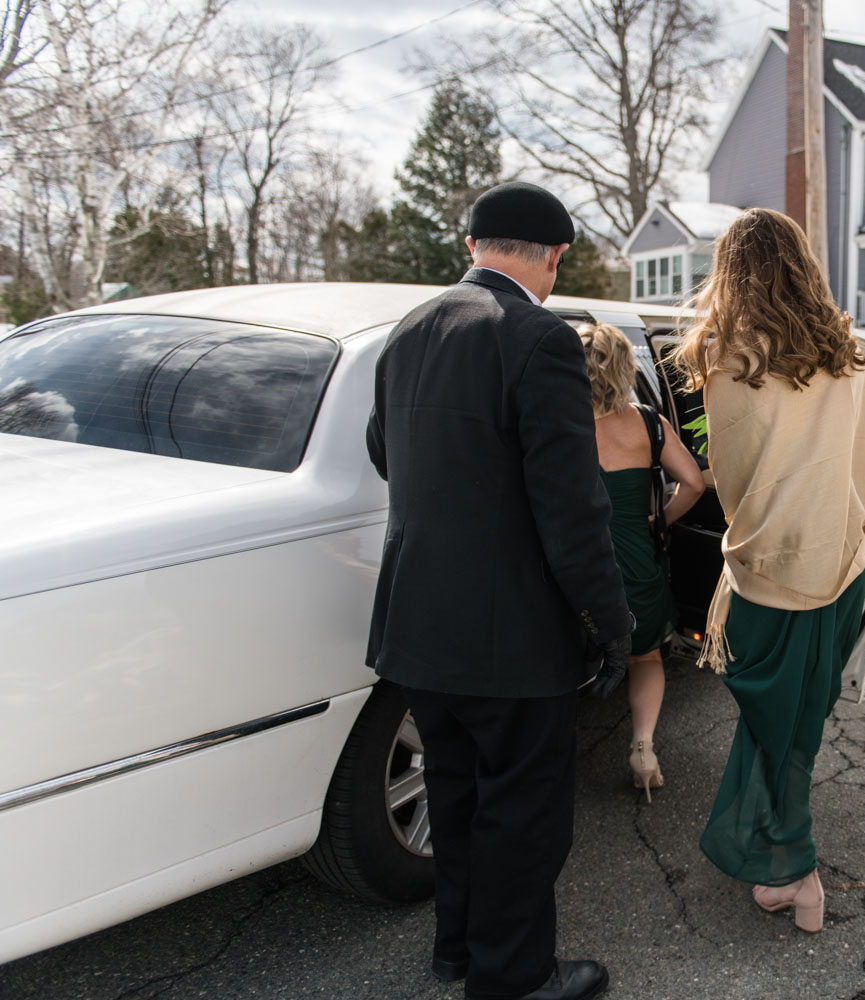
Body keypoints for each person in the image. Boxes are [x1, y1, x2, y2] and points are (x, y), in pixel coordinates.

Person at [365, 181, 633, 1000]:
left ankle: (459, 950)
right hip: (509, 633)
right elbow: (570, 504)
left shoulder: (408, 329)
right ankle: (515, 978)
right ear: (553, 256)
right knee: (523, 812)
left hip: (416, 618)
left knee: (455, 797)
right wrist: (610, 619)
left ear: (473, 245)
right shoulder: (538, 338)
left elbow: (386, 450)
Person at [673, 207, 865, 935]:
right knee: (798, 726)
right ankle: (781, 865)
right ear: (803, 262)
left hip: (768, 565)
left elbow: (732, 479)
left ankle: (798, 871)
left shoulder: (724, 356)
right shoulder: (847, 352)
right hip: (841, 560)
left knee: (772, 725)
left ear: (727, 272)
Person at [577, 321, 704, 800]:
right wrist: (659, 521)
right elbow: (692, 483)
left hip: (577, 563)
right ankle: (643, 746)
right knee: (644, 654)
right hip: (635, 560)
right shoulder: (649, 422)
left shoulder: (559, 425)